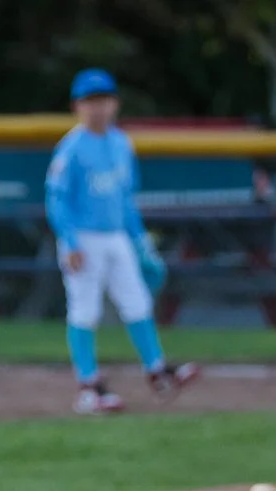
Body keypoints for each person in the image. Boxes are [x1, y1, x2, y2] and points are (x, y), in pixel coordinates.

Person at [45, 69, 199, 415]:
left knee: (137, 302)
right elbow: (57, 200)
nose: (97, 108)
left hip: (116, 235)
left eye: (103, 100)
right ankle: (88, 387)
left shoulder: (121, 144)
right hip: (83, 237)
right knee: (85, 309)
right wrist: (69, 241)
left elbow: (126, 200)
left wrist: (141, 243)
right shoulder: (71, 148)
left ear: (114, 104)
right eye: (89, 101)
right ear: (76, 107)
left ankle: (157, 371)